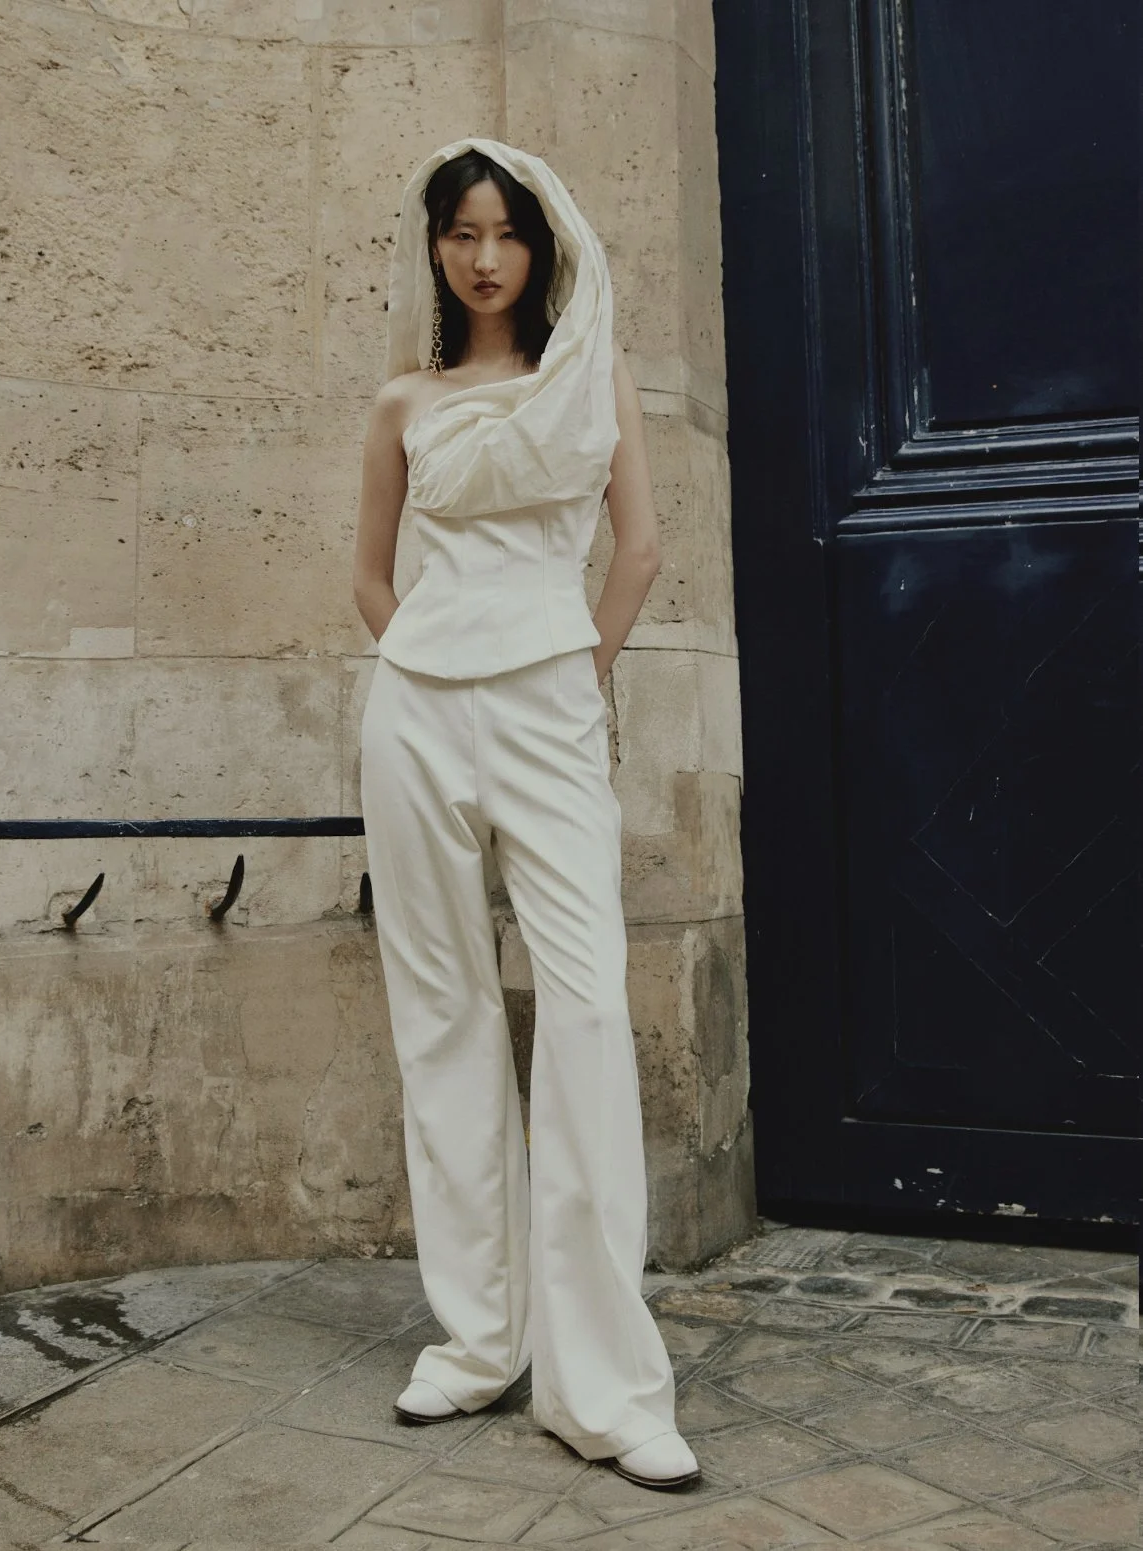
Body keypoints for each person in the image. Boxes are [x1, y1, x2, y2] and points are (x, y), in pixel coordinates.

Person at [352, 136, 700, 1491]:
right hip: (417, 712)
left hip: (549, 708)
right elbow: (370, 578)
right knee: (438, 1010)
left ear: (541, 243)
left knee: (588, 1005)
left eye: (505, 231)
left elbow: (644, 548)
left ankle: (606, 1386)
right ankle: (476, 1338)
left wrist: (573, 668)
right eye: (460, 234)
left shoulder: (584, 376)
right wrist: (420, 670)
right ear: (434, 248)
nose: (484, 256)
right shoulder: (401, 402)